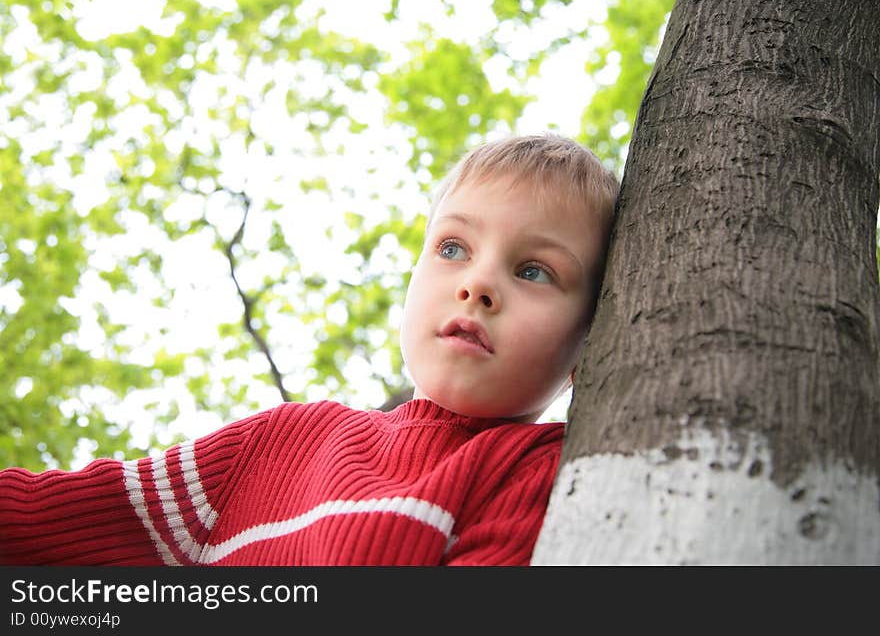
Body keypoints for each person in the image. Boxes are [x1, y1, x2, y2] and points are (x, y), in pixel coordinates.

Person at [0, 133, 619, 566]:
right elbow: (44, 523)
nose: (477, 284)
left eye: (534, 271)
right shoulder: (278, 443)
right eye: (453, 248)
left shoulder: (539, 472)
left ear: (586, 345)